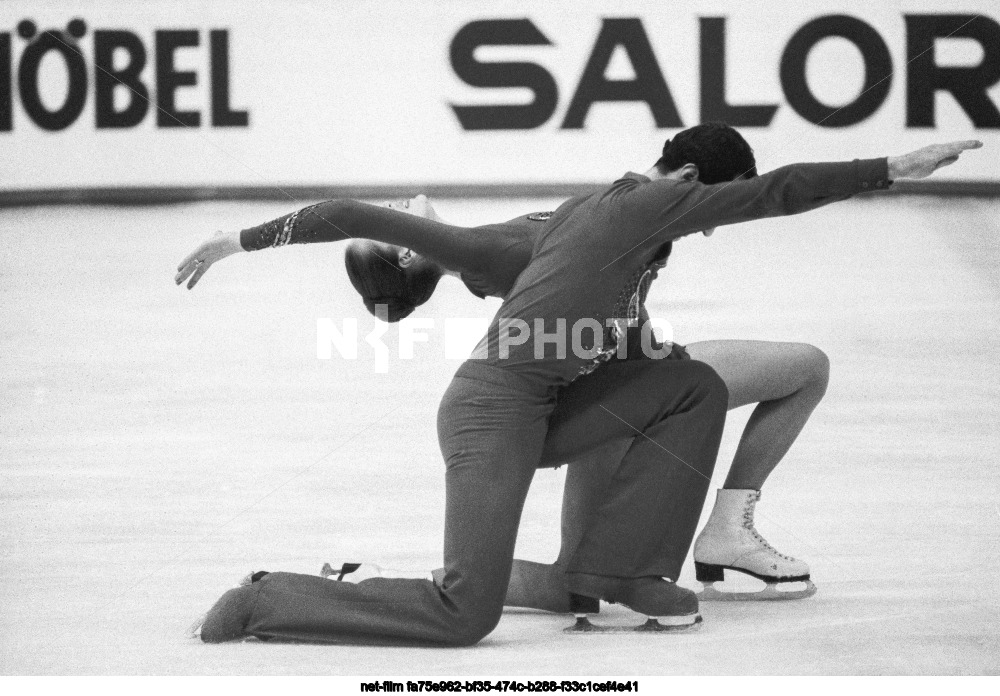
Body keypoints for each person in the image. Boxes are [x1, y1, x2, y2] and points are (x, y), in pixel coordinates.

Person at [177, 125, 980, 645]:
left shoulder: (596, 229)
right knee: (467, 614)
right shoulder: (644, 206)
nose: (704, 224)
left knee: (688, 384)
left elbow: (500, 261)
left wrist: (435, 259)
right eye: (704, 205)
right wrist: (885, 168)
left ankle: (622, 573)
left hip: (557, 406)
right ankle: (268, 597)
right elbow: (357, 216)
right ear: (688, 178)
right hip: (491, 411)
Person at [339, 183, 829, 604]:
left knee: (806, 369)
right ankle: (386, 585)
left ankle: (727, 530)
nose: (392, 201)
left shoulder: (483, 247)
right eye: (386, 217)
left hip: (652, 366)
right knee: (573, 585)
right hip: (614, 398)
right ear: (406, 251)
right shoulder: (489, 262)